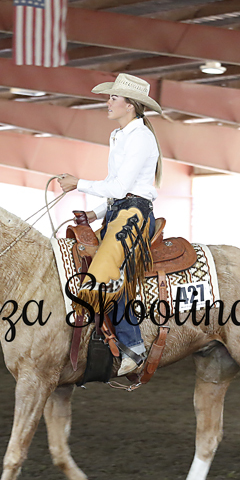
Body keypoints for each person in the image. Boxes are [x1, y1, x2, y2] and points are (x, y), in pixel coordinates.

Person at [58, 73, 164, 376]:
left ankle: (134, 345)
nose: (108, 102)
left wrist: (78, 183)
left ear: (130, 105)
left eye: (113, 98)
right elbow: (117, 188)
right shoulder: (119, 135)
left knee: (108, 270)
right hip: (118, 212)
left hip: (135, 215)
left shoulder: (140, 137)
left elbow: (121, 189)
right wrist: (96, 214)